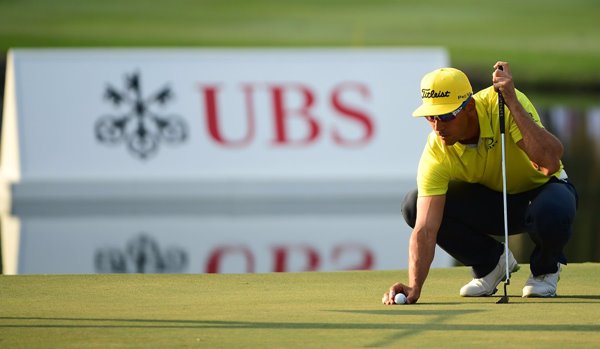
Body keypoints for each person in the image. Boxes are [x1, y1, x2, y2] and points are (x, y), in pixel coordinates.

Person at [382, 61, 578, 305]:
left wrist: (513, 103)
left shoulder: (504, 104)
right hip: (495, 203)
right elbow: (425, 229)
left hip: (543, 192)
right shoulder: (436, 150)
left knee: (552, 211)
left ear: (470, 107)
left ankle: (546, 269)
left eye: (446, 116)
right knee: (413, 205)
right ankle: (491, 264)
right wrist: (415, 285)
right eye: (430, 117)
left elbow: (549, 162)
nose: (438, 126)